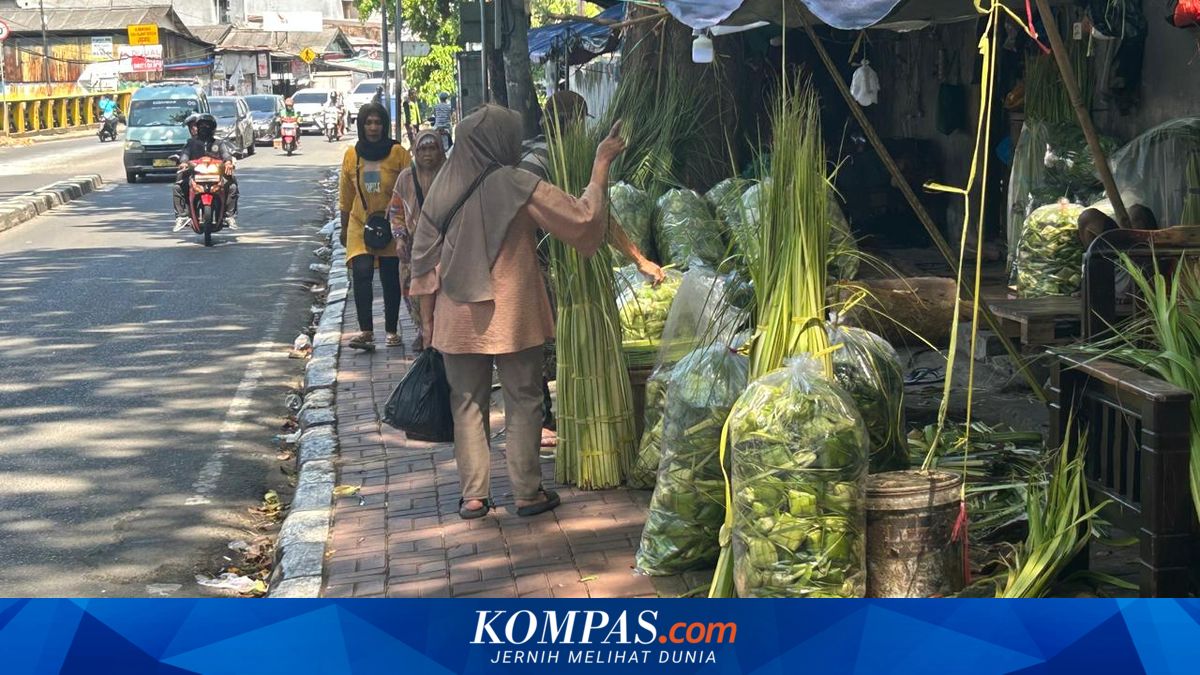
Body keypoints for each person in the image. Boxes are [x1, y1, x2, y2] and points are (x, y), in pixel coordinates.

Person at [409, 104, 626, 520]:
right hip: (513, 311)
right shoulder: (517, 183)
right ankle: (527, 492)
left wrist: (428, 318)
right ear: (501, 142)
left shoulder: (443, 185)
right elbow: (581, 219)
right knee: (524, 398)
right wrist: (600, 164)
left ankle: (474, 496)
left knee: (466, 403)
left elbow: (422, 257)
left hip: (457, 315)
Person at [518, 90, 664, 450]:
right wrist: (638, 259)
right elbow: (588, 218)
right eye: (578, 122)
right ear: (568, 124)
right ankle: (538, 421)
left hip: (555, 269)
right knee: (533, 346)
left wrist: (638, 258)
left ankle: (543, 419)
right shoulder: (541, 162)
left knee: (539, 346)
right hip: (535, 269)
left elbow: (598, 216)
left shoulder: (558, 156)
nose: (581, 130)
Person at [338, 102, 412, 351]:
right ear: (361, 125)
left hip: (391, 222)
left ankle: (391, 331)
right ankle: (366, 331)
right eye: (368, 123)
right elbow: (345, 194)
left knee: (390, 278)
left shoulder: (398, 153)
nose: (373, 127)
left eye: (377, 122)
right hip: (361, 222)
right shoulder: (352, 154)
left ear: (384, 125)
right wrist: (343, 225)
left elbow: (411, 189)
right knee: (361, 272)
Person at [387, 129, 447, 352]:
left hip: (443, 244)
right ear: (415, 151)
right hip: (413, 246)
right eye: (422, 149)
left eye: (432, 148)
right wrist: (400, 239)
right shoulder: (406, 178)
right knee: (413, 290)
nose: (428, 154)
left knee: (441, 290)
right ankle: (423, 331)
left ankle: (438, 333)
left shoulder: (449, 174)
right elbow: (396, 210)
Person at [173, 113, 239, 231]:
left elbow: (225, 154)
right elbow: (185, 154)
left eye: (207, 125)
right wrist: (183, 162)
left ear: (213, 127)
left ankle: (229, 216)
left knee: (233, 185)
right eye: (202, 125)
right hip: (195, 176)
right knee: (178, 186)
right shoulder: (191, 143)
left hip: (216, 176)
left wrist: (228, 162)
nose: (204, 128)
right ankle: (182, 216)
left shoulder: (218, 144)